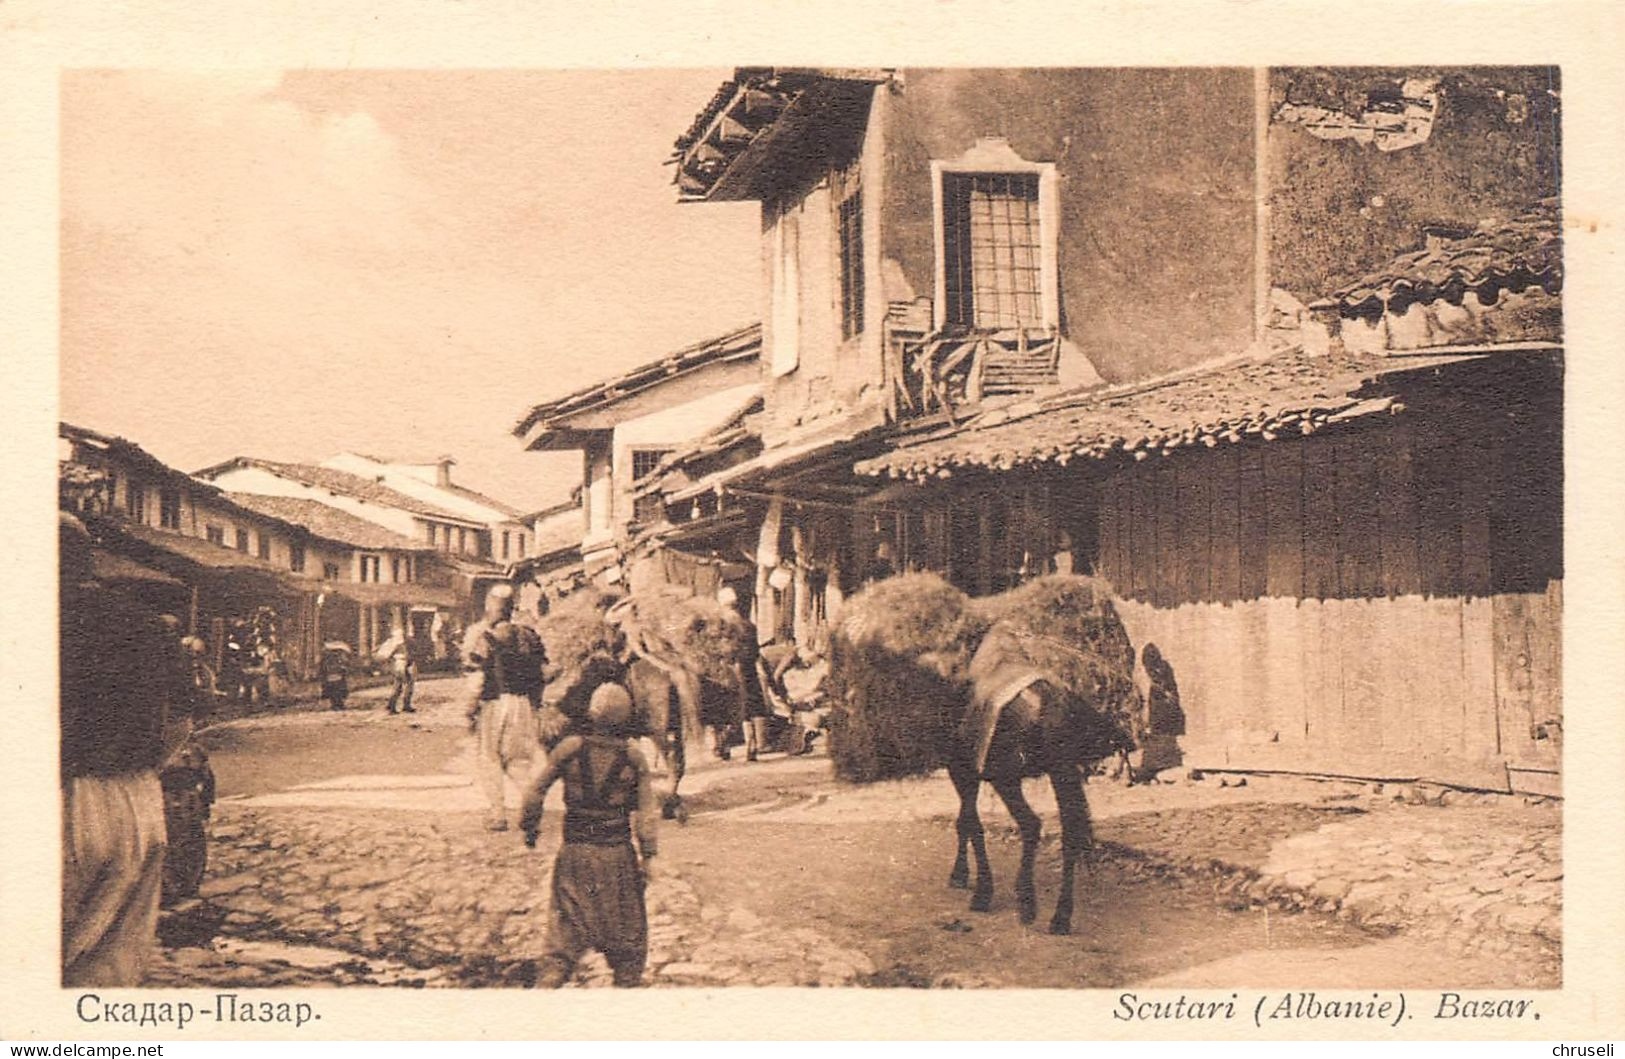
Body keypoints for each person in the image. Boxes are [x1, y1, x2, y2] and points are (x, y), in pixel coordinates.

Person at [59, 512, 174, 986]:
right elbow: (180, 721)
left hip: (58, 796)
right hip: (137, 802)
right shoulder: (146, 623)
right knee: (112, 962)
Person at [520, 682, 660, 989]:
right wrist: (649, 857)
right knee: (629, 950)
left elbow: (534, 792)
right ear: (626, 717)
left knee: (561, 944)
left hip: (575, 854)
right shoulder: (634, 758)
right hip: (617, 858)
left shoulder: (570, 748)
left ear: (591, 713)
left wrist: (529, 828)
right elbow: (646, 815)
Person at [463, 584, 546, 831]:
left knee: (490, 758)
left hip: (495, 703)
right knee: (518, 760)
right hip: (524, 705)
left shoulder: (486, 638)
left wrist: (470, 709)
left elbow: (477, 677)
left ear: (492, 609)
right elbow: (542, 674)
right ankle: (531, 804)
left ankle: (498, 815)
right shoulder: (529, 636)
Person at [374, 624, 418, 714]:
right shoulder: (398, 645)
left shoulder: (395, 644)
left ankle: (396, 705)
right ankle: (395, 705)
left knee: (402, 685)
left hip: (402, 663)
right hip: (400, 664)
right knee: (402, 685)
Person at [317, 642, 351, 711]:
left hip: (333, 677)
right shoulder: (338, 658)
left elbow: (322, 668)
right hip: (334, 677)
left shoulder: (328, 659)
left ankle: (337, 704)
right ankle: (337, 704)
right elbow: (323, 668)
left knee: (334, 691)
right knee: (336, 691)